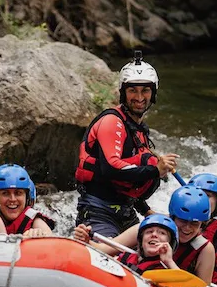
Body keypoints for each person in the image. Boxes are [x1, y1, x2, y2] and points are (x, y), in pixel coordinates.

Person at [75, 50, 179, 237]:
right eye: (132, 90)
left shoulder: (138, 129)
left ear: (153, 93)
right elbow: (111, 168)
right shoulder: (111, 122)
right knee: (114, 259)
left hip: (126, 212)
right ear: (123, 93)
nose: (139, 97)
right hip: (98, 212)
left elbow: (125, 183)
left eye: (145, 90)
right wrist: (156, 170)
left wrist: (146, 211)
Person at [75, 186, 217, 287]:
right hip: (133, 283)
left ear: (203, 224)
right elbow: (104, 250)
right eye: (183, 221)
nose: (187, 228)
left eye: (195, 224)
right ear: (173, 217)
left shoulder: (205, 249)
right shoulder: (150, 229)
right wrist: (85, 241)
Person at [0, 164, 55, 237]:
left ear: (26, 197)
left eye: (18, 193)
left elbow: (52, 241)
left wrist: (39, 235)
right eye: (5, 193)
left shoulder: (36, 222)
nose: (12, 199)